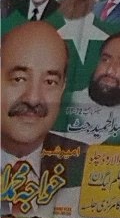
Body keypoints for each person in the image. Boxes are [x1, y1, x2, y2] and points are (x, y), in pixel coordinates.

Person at [0, 21, 84, 203]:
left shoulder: (87, 164)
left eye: (50, 82)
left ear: (63, 88)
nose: (33, 99)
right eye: (19, 79)